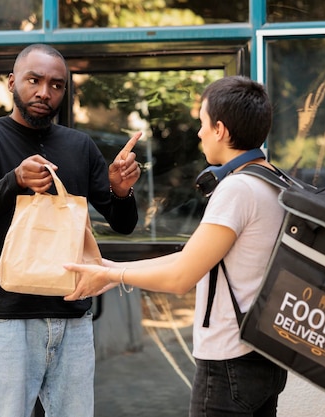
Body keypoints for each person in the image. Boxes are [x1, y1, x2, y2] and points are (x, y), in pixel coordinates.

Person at [64, 75, 288, 417]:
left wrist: (116, 275)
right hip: (264, 356)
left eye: (202, 123)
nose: (198, 133)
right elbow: (192, 259)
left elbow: (181, 277)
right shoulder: (272, 179)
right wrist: (107, 270)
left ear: (221, 131)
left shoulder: (237, 190)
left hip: (229, 362)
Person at [0, 43, 141, 417]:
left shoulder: (80, 146)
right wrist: (15, 179)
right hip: (8, 319)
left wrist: (121, 192)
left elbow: (123, 225)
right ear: (12, 82)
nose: (45, 92)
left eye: (56, 85)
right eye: (34, 80)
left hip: (73, 320)